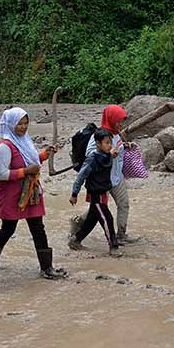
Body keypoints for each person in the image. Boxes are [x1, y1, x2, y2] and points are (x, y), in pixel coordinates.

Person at [0, 107, 67, 279]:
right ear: (10, 125)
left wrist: (45, 155)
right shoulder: (5, 147)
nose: (23, 127)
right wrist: (25, 171)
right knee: (8, 228)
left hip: (31, 193)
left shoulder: (25, 141)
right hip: (12, 195)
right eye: (19, 124)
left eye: (26, 123)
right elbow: (1, 174)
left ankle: (47, 267)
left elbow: (31, 160)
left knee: (38, 228)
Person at [86, 105, 138, 243]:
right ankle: (77, 228)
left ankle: (121, 234)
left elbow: (118, 147)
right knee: (95, 212)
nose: (121, 124)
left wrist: (126, 146)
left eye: (122, 121)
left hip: (116, 177)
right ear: (111, 119)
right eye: (119, 121)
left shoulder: (118, 133)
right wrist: (107, 154)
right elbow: (89, 155)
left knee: (124, 204)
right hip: (102, 180)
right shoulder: (98, 135)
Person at [69, 129, 122, 257]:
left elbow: (108, 157)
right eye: (107, 143)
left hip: (103, 191)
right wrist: (74, 193)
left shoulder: (106, 155)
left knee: (92, 219)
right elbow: (81, 176)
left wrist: (113, 154)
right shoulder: (92, 159)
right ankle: (113, 246)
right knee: (107, 219)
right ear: (98, 144)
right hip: (96, 193)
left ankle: (76, 240)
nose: (110, 145)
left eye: (110, 143)